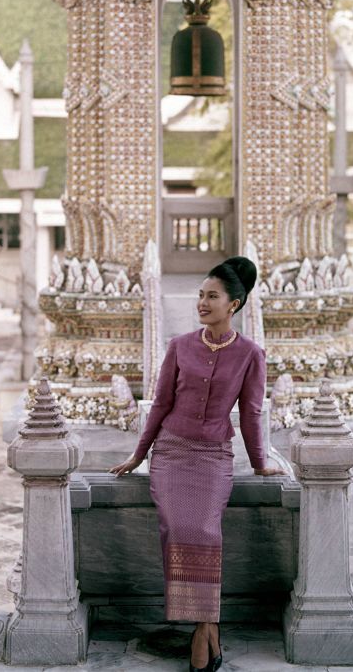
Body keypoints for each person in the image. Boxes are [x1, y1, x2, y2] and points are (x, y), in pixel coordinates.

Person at [110, 256, 283, 672]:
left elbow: (253, 413)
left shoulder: (251, 355)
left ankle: (205, 630)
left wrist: (260, 464)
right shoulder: (179, 346)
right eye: (200, 295)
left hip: (212, 456)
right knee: (178, 528)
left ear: (234, 305)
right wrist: (139, 454)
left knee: (206, 531)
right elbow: (160, 405)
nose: (202, 303)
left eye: (211, 296)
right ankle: (208, 630)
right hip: (171, 452)